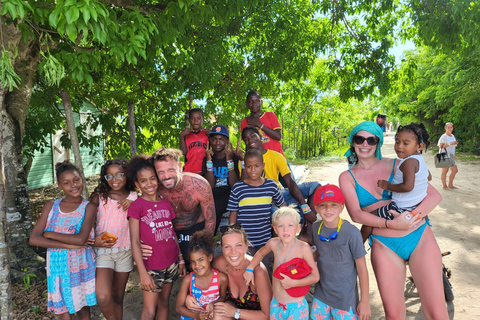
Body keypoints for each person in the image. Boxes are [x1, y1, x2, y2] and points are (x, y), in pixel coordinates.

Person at [339, 121, 448, 319]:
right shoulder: (347, 177)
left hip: (418, 236)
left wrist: (410, 217)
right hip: (384, 244)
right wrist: (392, 223)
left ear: (377, 143)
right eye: (359, 139)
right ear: (352, 142)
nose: (365, 144)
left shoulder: (399, 164)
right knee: (394, 314)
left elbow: (433, 196)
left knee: (437, 312)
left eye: (370, 139)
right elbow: (355, 214)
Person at [29, 161, 97, 320]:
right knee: (64, 314)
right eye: (66, 183)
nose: (73, 185)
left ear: (82, 179)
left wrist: (50, 233)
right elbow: (34, 238)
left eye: (76, 180)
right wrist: (67, 244)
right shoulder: (51, 206)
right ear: (60, 186)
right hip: (57, 267)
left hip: (80, 264)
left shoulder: (88, 207)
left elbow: (81, 239)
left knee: (83, 309)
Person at [126, 155, 186, 320]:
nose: (149, 184)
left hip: (172, 262)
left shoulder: (165, 203)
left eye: (152, 179)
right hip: (152, 268)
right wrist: (143, 273)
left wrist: (180, 258)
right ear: (137, 185)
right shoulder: (136, 207)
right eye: (143, 181)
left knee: (165, 302)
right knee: (149, 311)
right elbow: (135, 241)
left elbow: (171, 232)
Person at [241, 126, 319, 243]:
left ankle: (307, 233)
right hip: (261, 199)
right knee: (276, 215)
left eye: (253, 136)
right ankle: (276, 247)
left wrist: (305, 207)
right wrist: (242, 160)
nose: (250, 140)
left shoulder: (276, 156)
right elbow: (244, 187)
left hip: (278, 193)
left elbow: (290, 182)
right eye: (246, 139)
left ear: (261, 137)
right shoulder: (244, 160)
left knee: (315, 187)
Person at [244, 207, 319, 320]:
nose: (285, 230)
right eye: (280, 226)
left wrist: (294, 283)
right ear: (274, 228)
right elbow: (260, 253)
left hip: (296, 307)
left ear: (298, 228)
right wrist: (250, 269)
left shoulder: (303, 248)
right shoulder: (273, 244)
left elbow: (315, 276)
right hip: (276, 304)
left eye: (290, 225)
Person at [185, 224, 272, 320]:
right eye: (227, 247)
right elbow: (199, 273)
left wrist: (235, 312)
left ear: (246, 246)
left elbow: (267, 315)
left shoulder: (258, 271)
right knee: (216, 313)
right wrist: (188, 296)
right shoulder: (219, 264)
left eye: (238, 245)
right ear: (221, 248)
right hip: (230, 315)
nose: (233, 251)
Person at [311, 184, 370, 320]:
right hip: (321, 295)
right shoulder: (315, 228)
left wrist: (365, 301)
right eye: (323, 205)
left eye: (334, 205)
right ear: (316, 208)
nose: (328, 209)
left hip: (345, 300)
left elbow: (362, 269)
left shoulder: (351, 233)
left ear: (342, 207)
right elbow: (320, 253)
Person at [90, 159, 137, 320]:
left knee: (118, 296)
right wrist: (92, 241)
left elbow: (146, 216)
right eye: (109, 176)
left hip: (126, 251)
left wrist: (135, 205)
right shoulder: (100, 198)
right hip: (104, 252)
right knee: (103, 296)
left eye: (119, 175)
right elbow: (86, 224)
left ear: (127, 176)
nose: (114, 179)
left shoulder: (135, 197)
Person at [152, 147, 215, 266]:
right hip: (171, 231)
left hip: (195, 228)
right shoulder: (155, 190)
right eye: (161, 172)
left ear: (180, 167)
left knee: (198, 263)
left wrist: (204, 247)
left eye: (170, 170)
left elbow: (210, 220)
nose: (166, 176)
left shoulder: (199, 185)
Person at [227, 149, 285, 252]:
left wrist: (284, 225)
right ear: (245, 167)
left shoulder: (271, 185)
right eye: (249, 166)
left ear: (263, 165)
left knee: (265, 266)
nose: (253, 170)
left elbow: (283, 207)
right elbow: (233, 213)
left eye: (256, 166)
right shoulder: (238, 188)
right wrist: (232, 234)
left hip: (265, 241)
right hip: (245, 242)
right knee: (247, 266)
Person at [176, 230, 228, 320]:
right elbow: (179, 307)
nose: (197, 266)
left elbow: (223, 298)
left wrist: (214, 304)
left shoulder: (221, 278)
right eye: (193, 262)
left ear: (210, 257)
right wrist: (196, 316)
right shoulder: (188, 279)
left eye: (201, 260)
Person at [202, 125, 240, 233]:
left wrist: (229, 161)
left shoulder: (233, 157)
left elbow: (234, 185)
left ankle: (217, 235)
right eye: (214, 139)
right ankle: (211, 236)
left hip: (229, 193)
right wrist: (209, 161)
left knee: (217, 207)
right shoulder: (207, 158)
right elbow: (211, 185)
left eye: (221, 139)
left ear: (227, 141)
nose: (217, 142)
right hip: (213, 192)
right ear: (210, 140)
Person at [240, 90, 284, 156]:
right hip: (258, 161)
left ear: (261, 102)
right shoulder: (244, 122)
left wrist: (259, 124)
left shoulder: (270, 115)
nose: (254, 103)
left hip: (277, 156)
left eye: (257, 101)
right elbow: (248, 145)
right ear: (247, 104)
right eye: (251, 101)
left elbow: (278, 136)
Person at [180, 108, 210, 174]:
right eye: (193, 118)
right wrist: (181, 136)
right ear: (189, 120)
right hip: (189, 170)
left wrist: (212, 135)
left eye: (199, 118)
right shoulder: (186, 135)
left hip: (205, 171)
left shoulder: (207, 134)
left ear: (203, 120)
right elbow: (183, 152)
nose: (196, 121)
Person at [437, 122, 459, 189]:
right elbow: (441, 146)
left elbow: (453, 146)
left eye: (451, 127)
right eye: (448, 127)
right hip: (445, 155)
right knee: (445, 171)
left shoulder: (452, 136)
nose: (449, 129)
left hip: (451, 155)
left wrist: (454, 154)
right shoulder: (444, 136)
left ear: (453, 128)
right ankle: (444, 185)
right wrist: (450, 144)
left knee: (455, 170)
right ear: (445, 128)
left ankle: (450, 185)